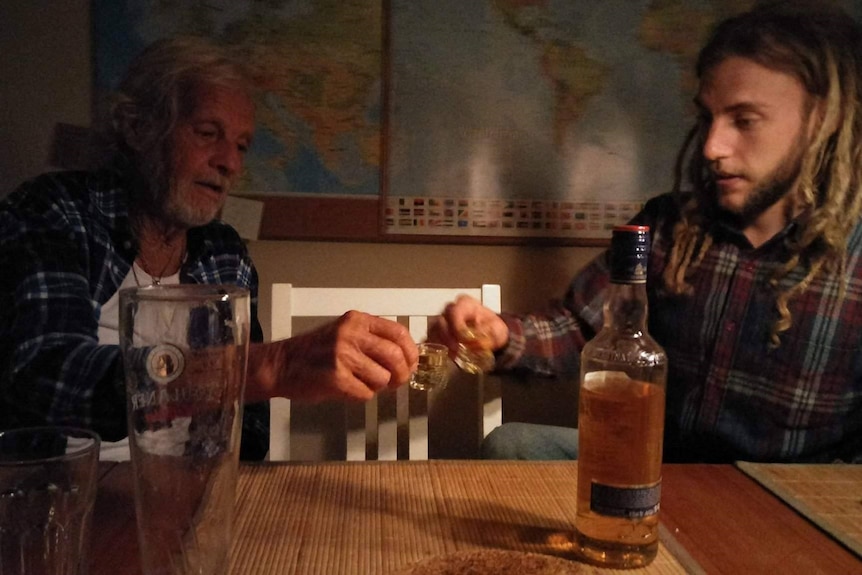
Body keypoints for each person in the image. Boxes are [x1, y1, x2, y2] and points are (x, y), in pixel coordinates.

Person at [431, 1, 862, 464]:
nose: (712, 147)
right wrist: (500, 333)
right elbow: (581, 327)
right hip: (658, 466)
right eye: (707, 118)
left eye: (744, 120)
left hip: (785, 502)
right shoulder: (667, 226)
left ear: (823, 120)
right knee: (509, 444)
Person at [0, 37, 418, 461]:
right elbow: (48, 376)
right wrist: (273, 365)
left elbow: (247, 419)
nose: (230, 163)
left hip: (196, 498)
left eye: (240, 145)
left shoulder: (225, 253)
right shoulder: (54, 213)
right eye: (207, 134)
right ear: (138, 128)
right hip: (68, 500)